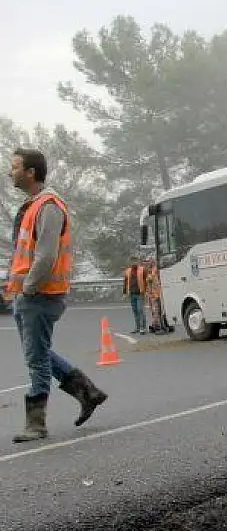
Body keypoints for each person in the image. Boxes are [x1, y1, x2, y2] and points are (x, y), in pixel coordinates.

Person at [5, 148, 107, 442]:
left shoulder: (49, 206)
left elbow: (46, 256)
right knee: (38, 352)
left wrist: (28, 287)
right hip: (28, 295)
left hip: (39, 295)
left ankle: (36, 424)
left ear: (30, 172)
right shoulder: (33, 205)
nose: (10, 172)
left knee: (36, 358)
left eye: (14, 167)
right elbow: (24, 252)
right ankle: (88, 392)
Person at [123, 255, 148, 334]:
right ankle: (137, 327)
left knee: (140, 310)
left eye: (135, 261)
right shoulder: (128, 271)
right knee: (135, 311)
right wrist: (124, 292)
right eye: (132, 261)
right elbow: (125, 281)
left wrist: (146, 291)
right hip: (132, 293)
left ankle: (142, 328)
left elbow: (146, 280)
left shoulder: (142, 269)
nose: (134, 263)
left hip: (140, 293)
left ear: (138, 261)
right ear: (130, 262)